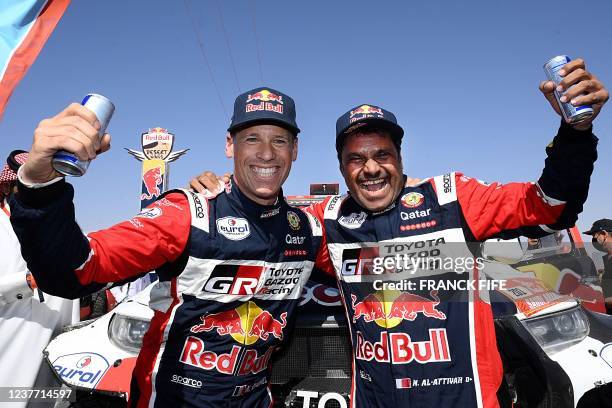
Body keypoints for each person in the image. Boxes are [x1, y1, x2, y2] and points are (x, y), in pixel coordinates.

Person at [192, 58, 607, 407]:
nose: (370, 168)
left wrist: (576, 134)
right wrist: (221, 195)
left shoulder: (452, 199)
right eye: (356, 159)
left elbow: (551, 206)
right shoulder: (329, 221)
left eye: (381, 155)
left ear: (399, 158)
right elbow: (266, 234)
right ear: (342, 169)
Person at [9, 87, 324, 407]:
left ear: (295, 149)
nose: (267, 153)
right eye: (252, 138)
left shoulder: (309, 230)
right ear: (230, 145)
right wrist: (40, 186)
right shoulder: (187, 214)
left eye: (280, 140)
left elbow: (363, 248)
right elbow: (77, 270)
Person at [0, 150, 77, 407]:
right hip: (11, 360)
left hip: (56, 367)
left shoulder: (64, 228)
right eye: (35, 182)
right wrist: (26, 282)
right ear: (13, 185)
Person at [584, 219, 612, 313]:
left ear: (604, 234)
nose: (593, 240)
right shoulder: (607, 258)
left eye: (595, 235)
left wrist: (595, 301)